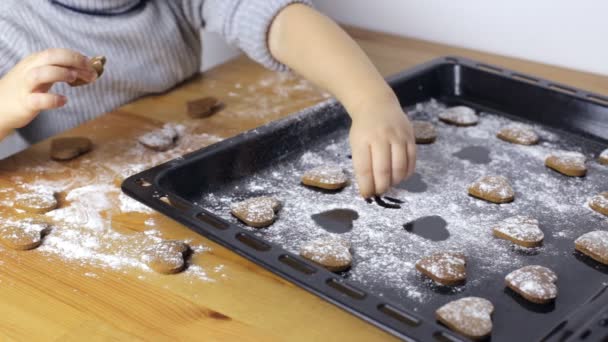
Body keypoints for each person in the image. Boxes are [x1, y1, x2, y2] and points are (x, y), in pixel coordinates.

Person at [0, 0, 415, 198]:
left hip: (189, 174)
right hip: (85, 198)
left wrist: (369, 98)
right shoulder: (10, 21)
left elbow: (280, 18)